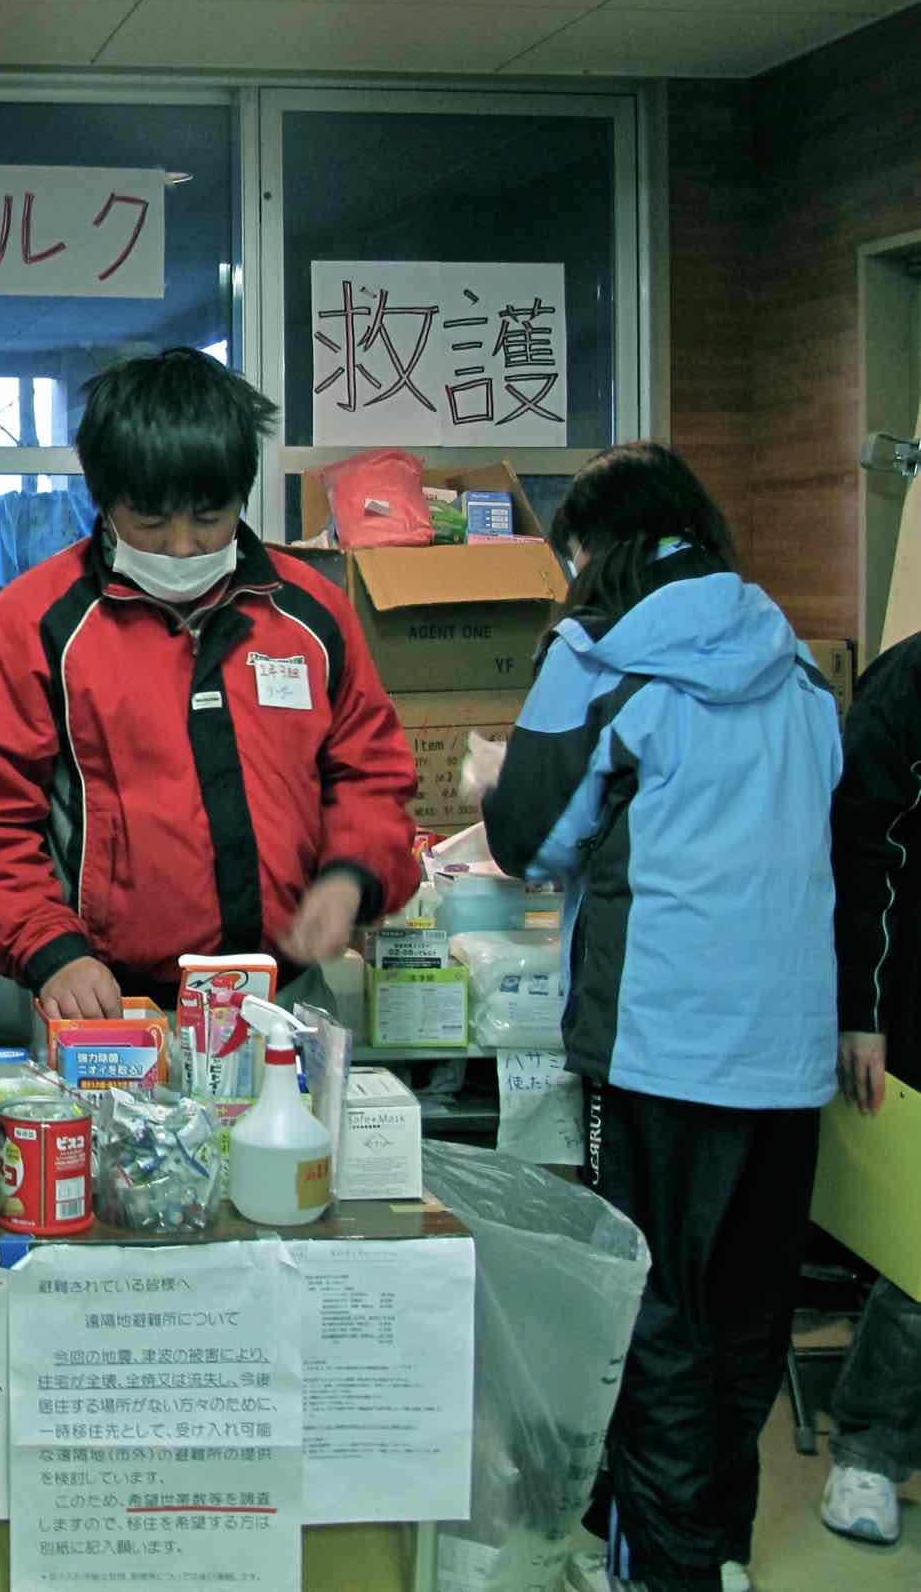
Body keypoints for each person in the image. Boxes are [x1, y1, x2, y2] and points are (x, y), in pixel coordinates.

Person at [477, 443, 839, 1592]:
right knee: (743, 1317)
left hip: (661, 1046)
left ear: (592, 555)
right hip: (788, 1053)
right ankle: (719, 1553)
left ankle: (664, 1573)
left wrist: (500, 785)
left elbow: (528, 840)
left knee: (656, 1323)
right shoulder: (796, 668)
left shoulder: (595, 661)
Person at [0, 347, 418, 1013]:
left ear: (240, 496)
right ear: (103, 503)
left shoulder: (309, 614)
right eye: (152, 522)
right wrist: (49, 948)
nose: (183, 546)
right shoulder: (36, 625)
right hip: (106, 1003)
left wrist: (350, 874)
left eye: (208, 518)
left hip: (287, 993)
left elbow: (371, 772)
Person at [818, 629, 921, 1547]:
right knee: (919, 1249)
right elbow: (864, 849)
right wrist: (865, 1007)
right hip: (910, 998)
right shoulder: (914, 678)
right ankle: (871, 1450)